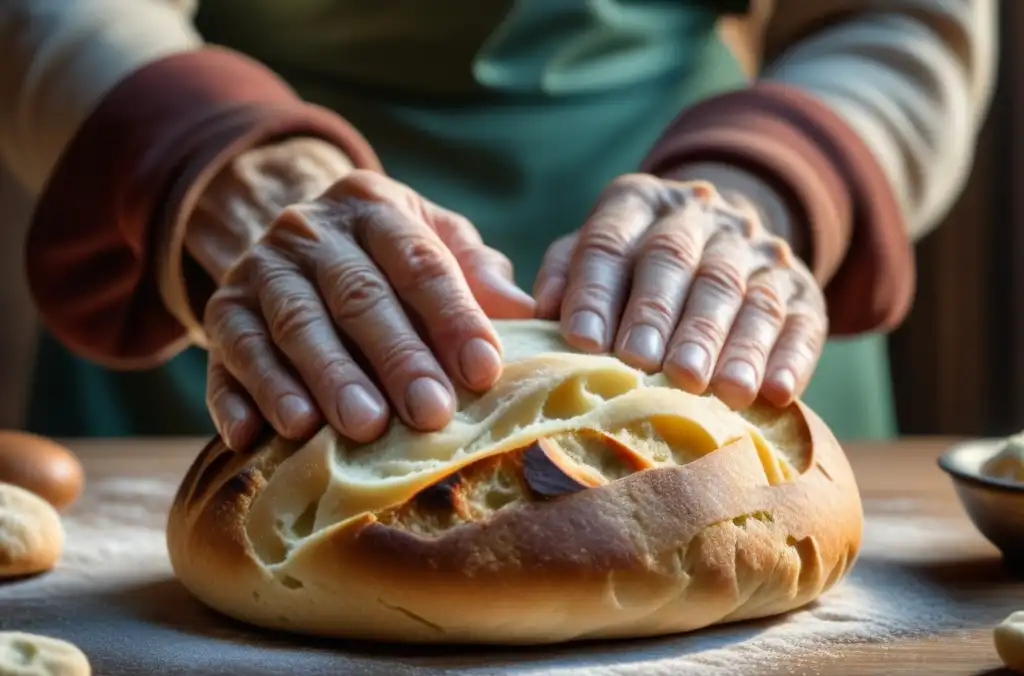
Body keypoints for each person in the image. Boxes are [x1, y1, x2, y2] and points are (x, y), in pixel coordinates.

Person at [0, 0, 996, 450]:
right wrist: (207, 164)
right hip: (250, 267)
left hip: (706, 272)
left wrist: (770, 179)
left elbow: (898, 14)